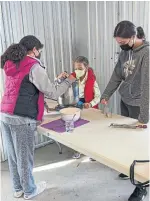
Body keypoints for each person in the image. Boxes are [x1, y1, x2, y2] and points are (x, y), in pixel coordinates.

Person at [0, 35, 75, 200]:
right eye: (39, 50)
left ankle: (18, 188)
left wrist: (56, 80)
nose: (39, 53)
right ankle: (29, 190)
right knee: (24, 157)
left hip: (5, 114)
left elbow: (28, 86)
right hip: (22, 118)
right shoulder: (34, 66)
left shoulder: (12, 63)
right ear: (34, 50)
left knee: (13, 156)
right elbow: (53, 93)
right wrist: (69, 80)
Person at [100, 21, 149, 201]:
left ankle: (142, 186)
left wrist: (144, 116)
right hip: (125, 101)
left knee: (140, 145)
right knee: (126, 141)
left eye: (122, 41)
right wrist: (106, 95)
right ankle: (129, 169)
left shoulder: (146, 53)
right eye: (117, 42)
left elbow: (147, 86)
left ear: (133, 37)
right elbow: (117, 75)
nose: (120, 45)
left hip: (139, 103)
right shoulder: (124, 52)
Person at [71, 56, 101, 159]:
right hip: (77, 105)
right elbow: (61, 85)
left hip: (88, 106)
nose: (77, 71)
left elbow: (98, 97)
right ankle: (78, 149)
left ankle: (92, 152)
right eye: (75, 68)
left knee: (90, 130)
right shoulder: (72, 77)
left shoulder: (92, 80)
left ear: (86, 67)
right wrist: (59, 77)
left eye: (80, 69)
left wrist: (91, 104)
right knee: (77, 129)